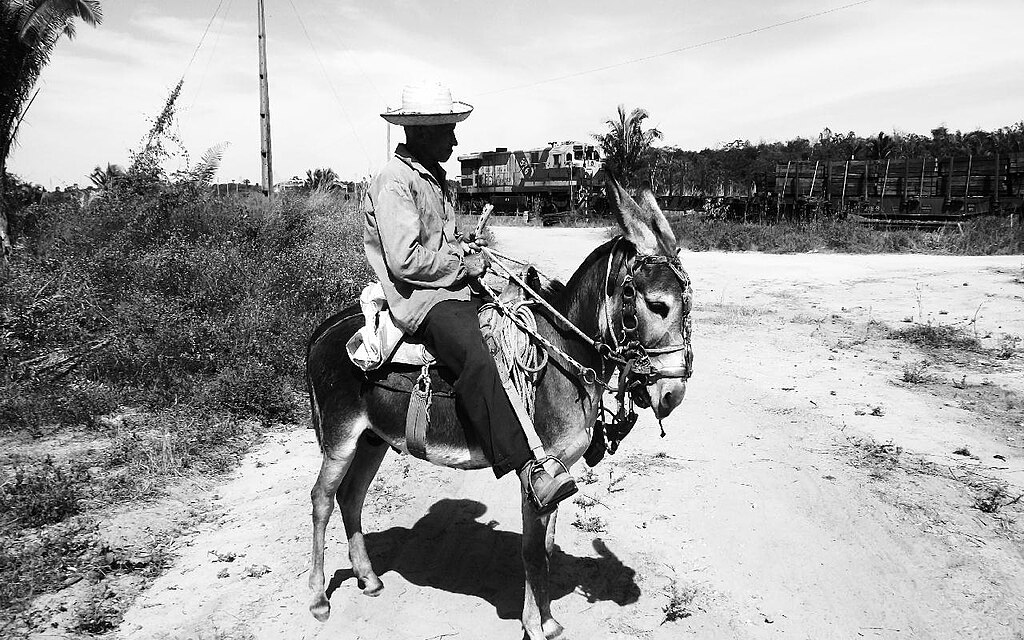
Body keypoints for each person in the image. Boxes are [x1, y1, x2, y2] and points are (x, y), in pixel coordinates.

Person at [363, 82, 577, 514]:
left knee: (526, 313)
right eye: (448, 132)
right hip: (422, 300)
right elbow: (405, 261)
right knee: (479, 355)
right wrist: (463, 266)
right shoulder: (394, 183)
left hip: (450, 287)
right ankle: (529, 468)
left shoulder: (431, 178)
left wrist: (464, 246)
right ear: (422, 132)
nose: (455, 141)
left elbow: (436, 243)